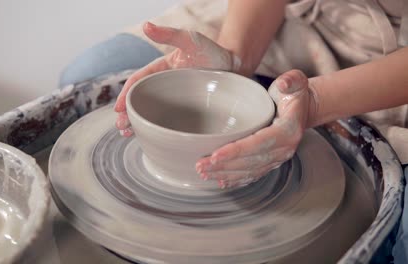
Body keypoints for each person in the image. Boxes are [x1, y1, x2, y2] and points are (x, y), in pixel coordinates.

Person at [60, 0, 408, 262]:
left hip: (391, 66)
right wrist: (236, 60)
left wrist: (315, 101)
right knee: (89, 73)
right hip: (294, 16)